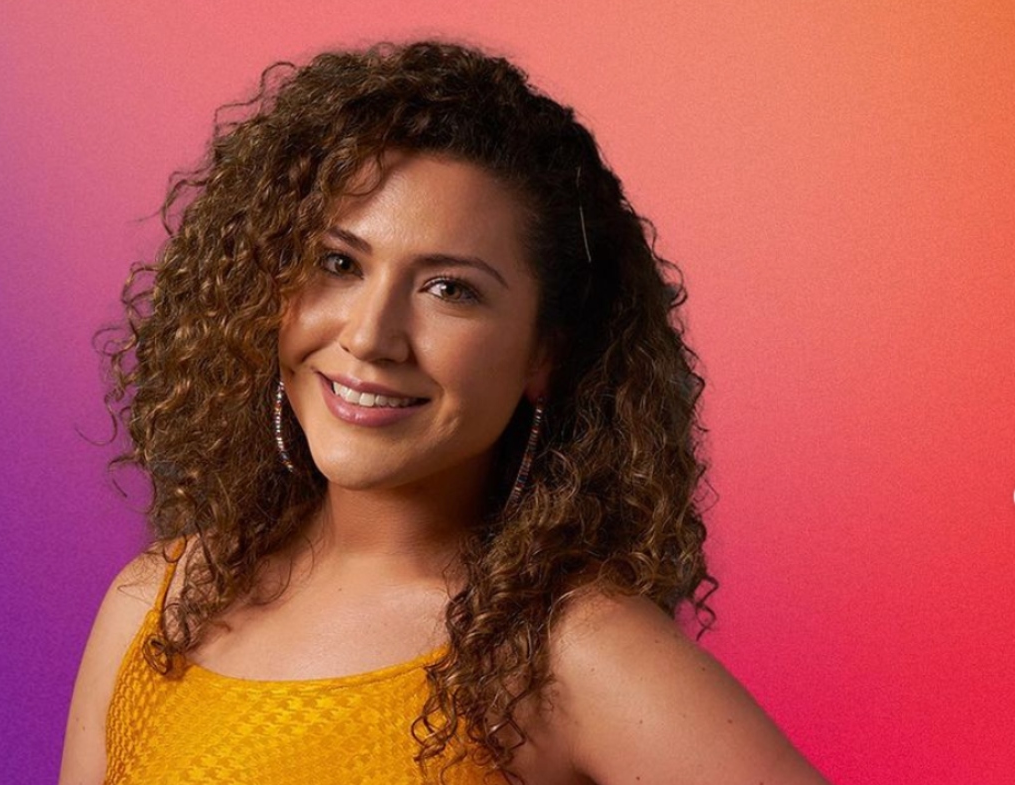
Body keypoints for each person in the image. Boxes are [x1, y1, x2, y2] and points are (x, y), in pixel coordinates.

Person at [60, 40, 828, 785]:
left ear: (544, 353)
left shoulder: (569, 652)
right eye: (338, 263)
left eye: (450, 289)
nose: (370, 336)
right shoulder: (156, 605)